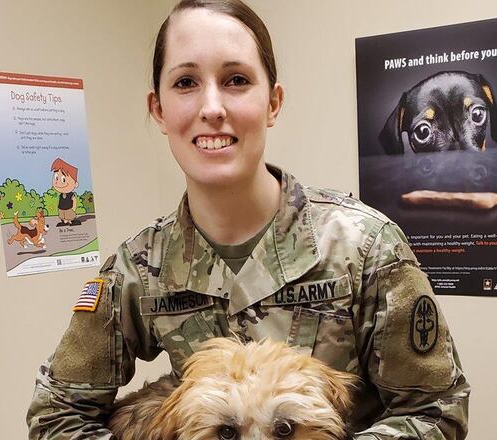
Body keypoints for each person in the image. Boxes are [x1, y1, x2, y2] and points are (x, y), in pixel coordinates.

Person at [27, 1, 470, 439]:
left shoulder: (366, 247)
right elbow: (56, 418)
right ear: (159, 109)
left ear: (272, 102)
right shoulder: (137, 270)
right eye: (186, 82)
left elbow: (436, 411)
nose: (212, 107)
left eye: (236, 80)